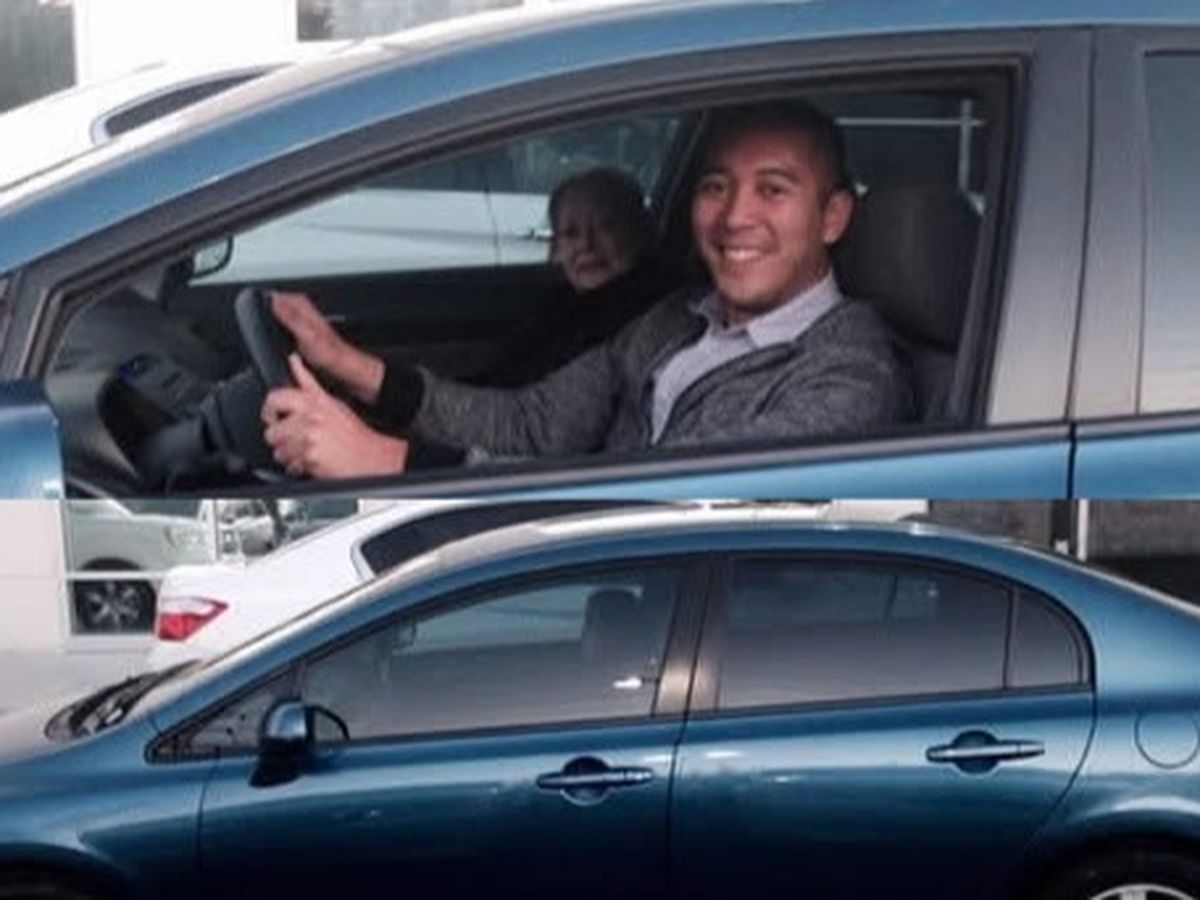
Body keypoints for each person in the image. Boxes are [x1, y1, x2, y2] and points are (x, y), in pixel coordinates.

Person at [262, 100, 914, 479]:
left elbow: (652, 502)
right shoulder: (679, 318)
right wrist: (349, 365)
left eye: (773, 189)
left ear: (833, 217)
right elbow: (534, 425)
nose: (735, 216)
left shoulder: (848, 379)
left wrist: (391, 462)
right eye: (716, 186)